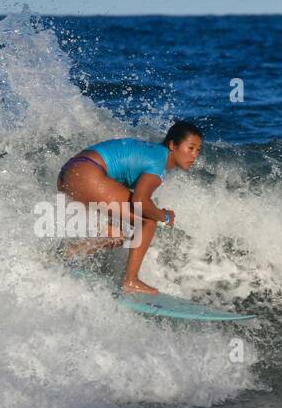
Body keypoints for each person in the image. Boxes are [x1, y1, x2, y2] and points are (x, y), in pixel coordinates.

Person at [55, 121, 203, 294]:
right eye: (190, 148)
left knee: (115, 236)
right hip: (88, 172)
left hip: (70, 174)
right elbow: (140, 201)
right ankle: (131, 280)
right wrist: (165, 217)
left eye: (198, 150)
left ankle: (69, 253)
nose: (194, 155)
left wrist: (113, 223)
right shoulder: (157, 162)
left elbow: (115, 180)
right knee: (148, 221)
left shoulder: (151, 153)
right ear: (172, 145)